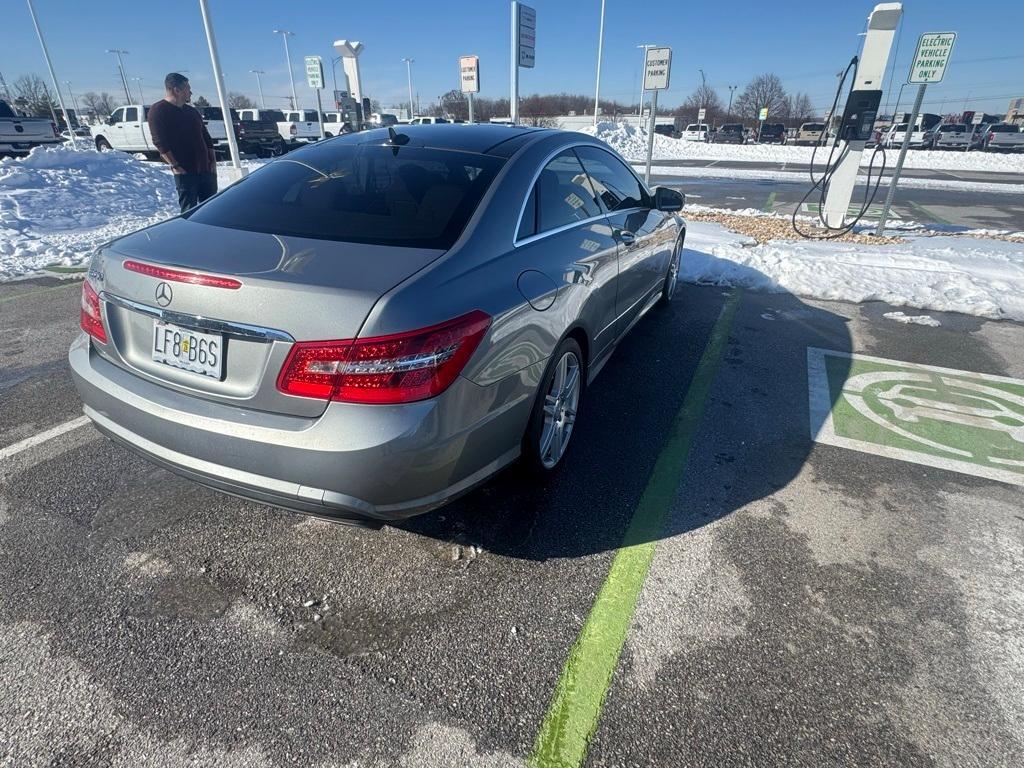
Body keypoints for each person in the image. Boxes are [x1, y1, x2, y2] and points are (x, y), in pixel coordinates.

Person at [148, 73, 217, 213]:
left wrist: (213, 162)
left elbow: (206, 138)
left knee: (212, 210)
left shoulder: (191, 112)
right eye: (188, 88)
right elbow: (160, 142)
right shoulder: (158, 111)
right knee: (190, 212)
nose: (191, 92)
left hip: (206, 169)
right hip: (185, 172)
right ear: (176, 90)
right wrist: (176, 166)